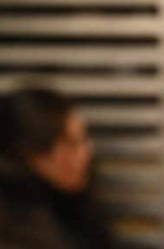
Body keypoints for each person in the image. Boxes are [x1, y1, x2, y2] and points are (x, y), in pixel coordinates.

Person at [0, 88, 113, 249]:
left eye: (85, 138)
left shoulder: (74, 208)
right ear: (32, 153)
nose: (87, 152)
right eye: (72, 143)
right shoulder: (15, 227)